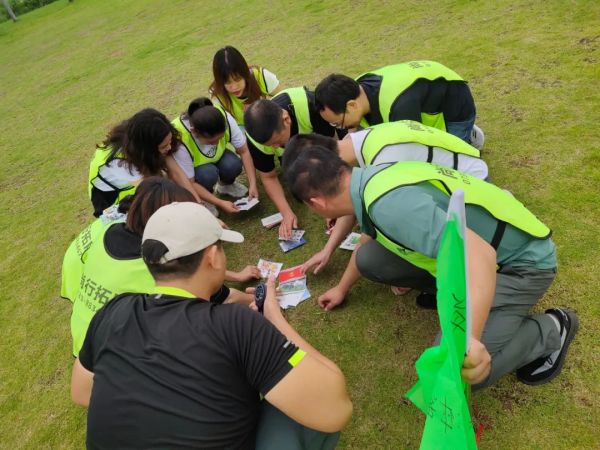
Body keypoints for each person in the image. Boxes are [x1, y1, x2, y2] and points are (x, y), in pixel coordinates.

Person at [283, 148, 578, 389]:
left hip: (520, 267)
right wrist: (342, 287)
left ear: (316, 203)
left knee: (454, 372)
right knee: (369, 258)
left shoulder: (389, 207)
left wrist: (470, 340)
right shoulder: (371, 178)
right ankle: (449, 292)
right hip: (488, 250)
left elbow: (481, 255)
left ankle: (551, 329)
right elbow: (373, 234)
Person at [71, 201, 352, 448]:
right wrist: (275, 320)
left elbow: (82, 393)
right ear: (213, 257)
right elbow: (335, 409)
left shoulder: (114, 310)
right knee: (302, 408)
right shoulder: (235, 324)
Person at [62, 177, 260, 357]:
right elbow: (222, 295)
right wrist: (260, 300)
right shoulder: (157, 261)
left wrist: (237, 276)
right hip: (111, 354)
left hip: (84, 333)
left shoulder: (112, 230)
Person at [282, 121, 488, 278]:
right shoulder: (360, 146)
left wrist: (341, 288)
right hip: (459, 179)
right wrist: (328, 249)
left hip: (473, 195)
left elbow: (368, 226)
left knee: (372, 256)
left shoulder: (383, 167)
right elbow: (353, 203)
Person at [243, 87, 341, 238]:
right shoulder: (255, 138)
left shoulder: (312, 106)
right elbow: (268, 176)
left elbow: (333, 150)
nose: (275, 147)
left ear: (286, 120)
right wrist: (286, 213)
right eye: (270, 145)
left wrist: (331, 201)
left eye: (276, 141)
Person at [315, 60, 484, 148]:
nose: (341, 127)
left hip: (454, 102)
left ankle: (465, 136)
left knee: (450, 157)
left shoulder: (399, 106)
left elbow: (417, 148)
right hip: (421, 100)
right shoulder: (357, 91)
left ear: (352, 105)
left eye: (337, 123)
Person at [88, 108, 199, 217]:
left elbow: (176, 173)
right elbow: (155, 193)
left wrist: (199, 207)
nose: (169, 147)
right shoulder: (120, 164)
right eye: (164, 146)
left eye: (169, 142)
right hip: (111, 201)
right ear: (147, 148)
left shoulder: (147, 133)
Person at [171, 97, 258, 216]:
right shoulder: (179, 137)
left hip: (219, 158)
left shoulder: (223, 117)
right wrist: (220, 203)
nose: (216, 143)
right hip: (198, 172)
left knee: (233, 165)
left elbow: (244, 151)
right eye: (211, 141)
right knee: (207, 174)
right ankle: (206, 199)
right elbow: (188, 182)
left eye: (220, 138)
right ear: (194, 131)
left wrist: (253, 184)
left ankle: (226, 185)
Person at [209, 45, 280, 127]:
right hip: (240, 129)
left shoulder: (261, 76)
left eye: (238, 79)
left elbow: (285, 100)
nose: (234, 87)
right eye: (227, 82)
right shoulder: (216, 94)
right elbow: (224, 128)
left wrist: (263, 107)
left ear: (245, 72)